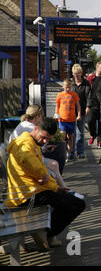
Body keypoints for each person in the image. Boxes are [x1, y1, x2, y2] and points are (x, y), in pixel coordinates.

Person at [5, 117, 86, 249]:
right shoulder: (24, 144)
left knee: (74, 202)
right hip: (28, 195)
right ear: (35, 128)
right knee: (76, 204)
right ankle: (45, 233)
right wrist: (43, 175)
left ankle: (45, 232)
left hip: (33, 190)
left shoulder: (31, 143)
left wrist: (55, 186)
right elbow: (29, 160)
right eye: (43, 137)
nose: (45, 141)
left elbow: (38, 170)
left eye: (48, 139)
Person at [8, 104, 67, 189]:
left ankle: (61, 187)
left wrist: (44, 149)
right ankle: (61, 188)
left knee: (54, 165)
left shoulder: (23, 124)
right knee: (54, 165)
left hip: (15, 157)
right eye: (41, 116)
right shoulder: (31, 128)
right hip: (22, 162)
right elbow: (31, 153)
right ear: (38, 116)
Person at [55, 79, 81, 162]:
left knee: (70, 137)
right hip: (62, 119)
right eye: (66, 87)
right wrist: (56, 114)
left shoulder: (74, 94)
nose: (68, 89)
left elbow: (78, 106)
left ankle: (68, 154)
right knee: (62, 136)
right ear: (63, 86)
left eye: (69, 87)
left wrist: (79, 115)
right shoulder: (60, 95)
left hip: (72, 119)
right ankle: (62, 152)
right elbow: (57, 106)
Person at [71, 64, 91, 159]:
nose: (76, 75)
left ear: (81, 73)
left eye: (78, 73)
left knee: (80, 133)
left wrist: (88, 107)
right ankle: (71, 152)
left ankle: (80, 152)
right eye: (75, 73)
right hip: (70, 111)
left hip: (82, 110)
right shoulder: (70, 83)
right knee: (71, 134)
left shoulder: (86, 83)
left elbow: (89, 96)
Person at [87, 62, 101, 148]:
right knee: (90, 121)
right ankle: (93, 135)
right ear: (97, 68)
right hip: (92, 103)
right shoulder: (91, 78)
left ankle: (100, 140)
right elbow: (86, 90)